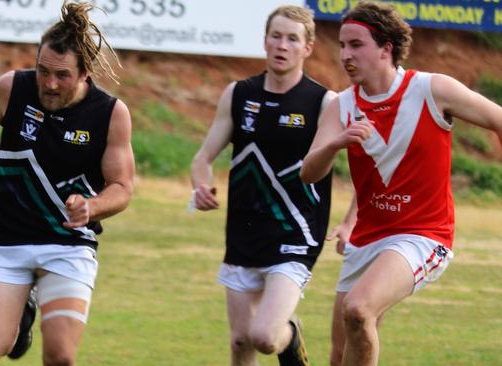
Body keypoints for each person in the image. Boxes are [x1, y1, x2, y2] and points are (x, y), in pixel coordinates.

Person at [0, 2, 135, 365]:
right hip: (6, 238)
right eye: (42, 70)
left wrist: (92, 207)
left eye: (61, 75)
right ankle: (22, 311)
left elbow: (122, 187)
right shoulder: (12, 88)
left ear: (85, 73)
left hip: (68, 244)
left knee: (60, 357)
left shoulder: (109, 113)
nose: (49, 83)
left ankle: (29, 302)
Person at [300, 1, 502, 365]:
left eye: (356, 45)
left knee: (358, 309)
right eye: (342, 45)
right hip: (367, 239)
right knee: (339, 353)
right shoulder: (341, 107)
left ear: (386, 48)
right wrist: (335, 142)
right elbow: (309, 172)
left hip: (424, 235)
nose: (346, 54)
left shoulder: (431, 89)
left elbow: (498, 118)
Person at [190, 5, 336, 366]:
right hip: (243, 232)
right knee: (241, 342)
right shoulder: (239, 95)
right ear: (265, 40)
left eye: (292, 39)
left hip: (295, 234)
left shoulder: (323, 102)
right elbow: (202, 158)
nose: (282, 45)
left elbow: (355, 166)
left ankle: (290, 337)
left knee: (265, 336)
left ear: (308, 48)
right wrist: (201, 186)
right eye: (276, 36)